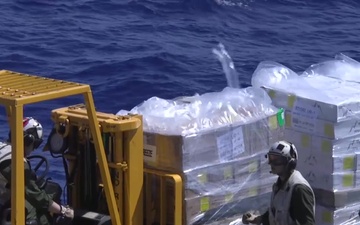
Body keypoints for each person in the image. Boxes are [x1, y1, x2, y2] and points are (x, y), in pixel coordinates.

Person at [0, 117, 74, 225]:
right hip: (3, 203)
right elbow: (36, 196)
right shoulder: (16, 161)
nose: (34, 149)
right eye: (35, 144)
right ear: (28, 140)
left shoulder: (3, 148)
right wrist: (63, 210)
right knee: (34, 208)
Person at [242, 140, 315, 225]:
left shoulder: (299, 190)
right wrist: (259, 219)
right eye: (271, 159)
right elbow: (277, 212)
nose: (272, 164)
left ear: (290, 162)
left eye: (277, 160)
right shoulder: (280, 184)